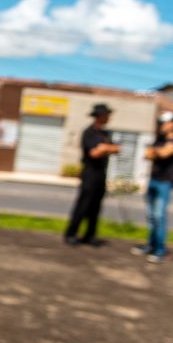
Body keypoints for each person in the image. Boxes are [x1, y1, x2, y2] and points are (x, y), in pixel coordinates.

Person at [64, 103, 120, 247]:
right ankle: (71, 233)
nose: (108, 117)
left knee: (96, 207)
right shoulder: (89, 132)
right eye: (106, 115)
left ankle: (90, 235)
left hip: (101, 173)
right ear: (99, 116)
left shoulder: (105, 134)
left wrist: (105, 148)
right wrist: (106, 148)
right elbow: (94, 153)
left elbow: (116, 149)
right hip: (90, 173)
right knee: (83, 205)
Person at [134, 111, 173, 263]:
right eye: (161, 123)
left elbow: (164, 154)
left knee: (159, 216)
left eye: (166, 122)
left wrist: (157, 152)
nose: (163, 126)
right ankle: (151, 245)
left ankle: (160, 250)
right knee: (151, 216)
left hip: (165, 183)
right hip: (153, 180)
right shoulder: (159, 139)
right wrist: (157, 151)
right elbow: (148, 155)